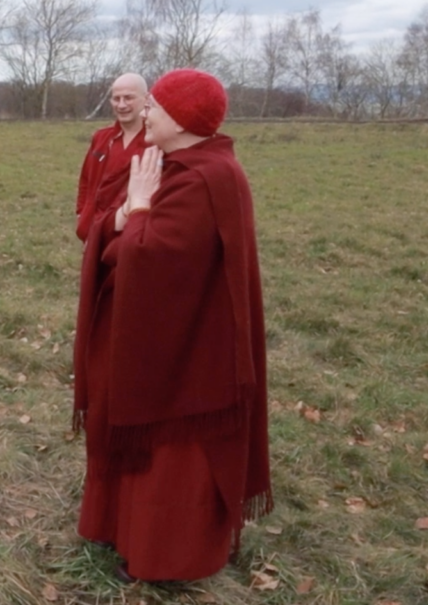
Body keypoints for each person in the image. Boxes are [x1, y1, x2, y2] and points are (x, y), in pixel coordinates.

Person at [71, 69, 272, 582]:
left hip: (189, 355)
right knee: (133, 428)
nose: (146, 113)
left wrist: (135, 211)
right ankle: (122, 529)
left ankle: (168, 557)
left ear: (180, 120)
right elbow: (115, 234)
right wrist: (123, 220)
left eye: (156, 106)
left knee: (171, 453)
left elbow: (145, 260)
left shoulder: (205, 177)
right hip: (164, 334)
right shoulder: (178, 164)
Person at [75, 73, 151, 243]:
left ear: (146, 99)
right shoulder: (101, 138)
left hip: (131, 236)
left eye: (128, 98)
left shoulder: (155, 142)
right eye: (116, 99)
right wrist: (82, 214)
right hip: (93, 230)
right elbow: (86, 180)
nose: (121, 105)